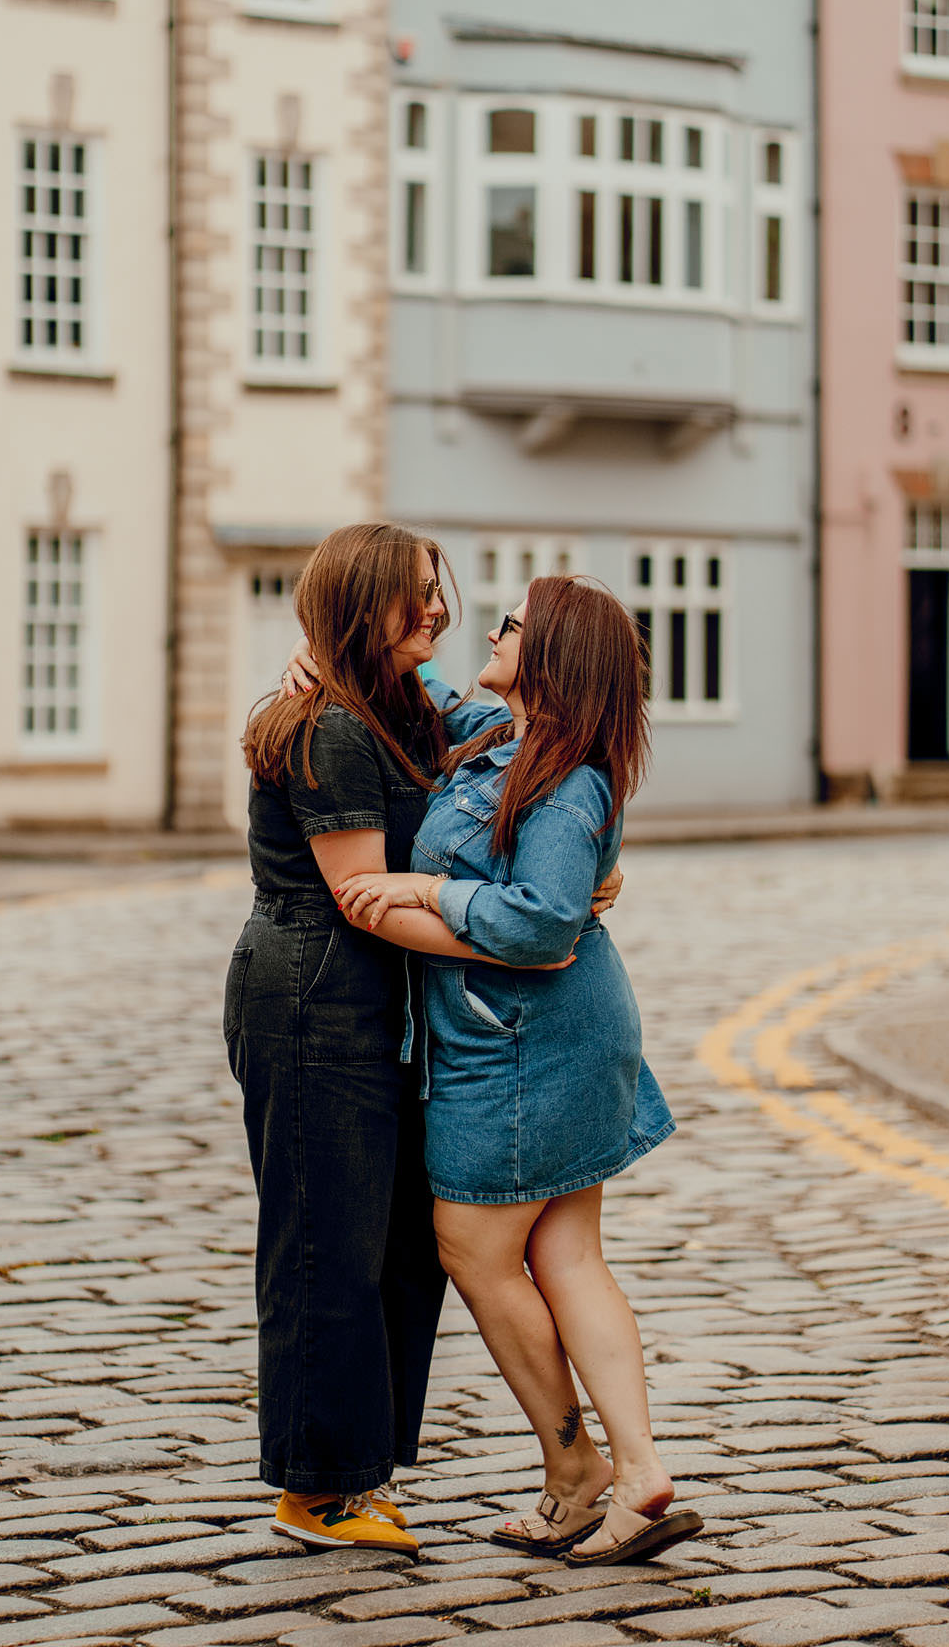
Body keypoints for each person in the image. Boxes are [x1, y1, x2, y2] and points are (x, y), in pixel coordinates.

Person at [228, 523, 590, 1560]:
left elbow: (519, 730)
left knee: (392, 1246)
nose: (437, 609)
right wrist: (524, 934)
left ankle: (358, 1467)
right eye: (416, 593)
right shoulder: (330, 728)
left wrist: (560, 885)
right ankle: (317, 1488)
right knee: (324, 1244)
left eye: (438, 590)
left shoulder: (401, 710)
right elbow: (361, 893)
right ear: (362, 601)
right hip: (314, 997)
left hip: (376, 1002)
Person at [334, 577, 702, 1566]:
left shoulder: (566, 783)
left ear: (552, 658)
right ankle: (634, 1472)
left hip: (525, 1040)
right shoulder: (507, 739)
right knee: (568, 1252)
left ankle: (579, 1469)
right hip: (543, 1031)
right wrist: (327, 663)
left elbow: (540, 924)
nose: (491, 631)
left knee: (474, 1245)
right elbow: (431, 699)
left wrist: (427, 889)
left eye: (512, 624)